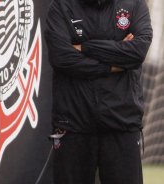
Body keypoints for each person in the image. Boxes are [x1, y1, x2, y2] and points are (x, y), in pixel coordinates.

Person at [45, 0, 153, 183]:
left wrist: (84, 47)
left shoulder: (134, 4)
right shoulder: (61, 6)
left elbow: (137, 52)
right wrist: (113, 64)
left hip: (122, 123)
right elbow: (61, 57)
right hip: (73, 125)